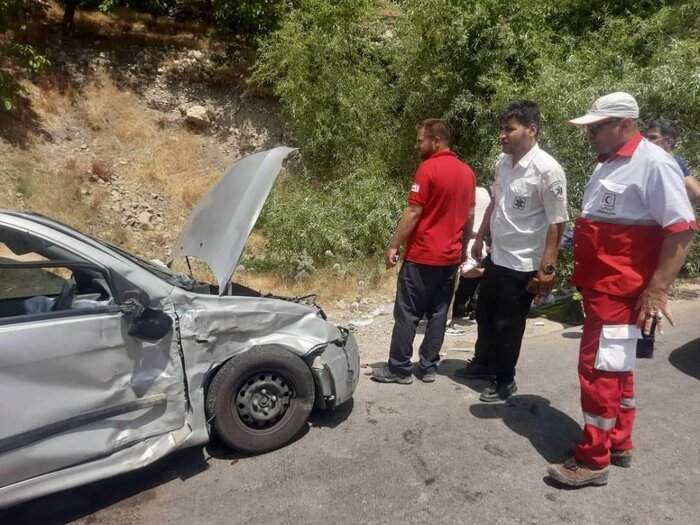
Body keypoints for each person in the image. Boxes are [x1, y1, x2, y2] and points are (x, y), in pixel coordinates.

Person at [548, 92, 697, 488]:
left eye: (597, 128)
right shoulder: (611, 163)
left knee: (599, 371)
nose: (589, 135)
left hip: (620, 291)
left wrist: (657, 291)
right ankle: (619, 441)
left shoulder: (653, 165)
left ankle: (593, 459)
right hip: (604, 289)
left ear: (625, 125)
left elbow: (681, 231)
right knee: (617, 367)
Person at [455, 100, 569, 402]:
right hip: (498, 255)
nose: (502, 135)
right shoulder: (502, 163)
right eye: (501, 129)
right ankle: (483, 363)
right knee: (484, 313)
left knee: (508, 324)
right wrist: (479, 238)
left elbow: (558, 221)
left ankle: (505, 379)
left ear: (531, 130)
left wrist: (547, 266)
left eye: (510, 129)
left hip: (524, 263)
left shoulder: (547, 170)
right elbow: (495, 203)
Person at [372, 119, 476, 384]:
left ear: (436, 141)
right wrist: (463, 249)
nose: (417, 146)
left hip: (422, 257)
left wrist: (394, 244)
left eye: (420, 141)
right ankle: (428, 367)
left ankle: (399, 369)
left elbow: (414, 211)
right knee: (439, 313)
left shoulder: (427, 169)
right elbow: (470, 215)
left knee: (407, 312)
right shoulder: (467, 172)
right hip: (450, 258)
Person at [645, 119, 700, 205]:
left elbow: (697, 194)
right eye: (646, 137)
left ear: (669, 142)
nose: (646, 141)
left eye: (652, 138)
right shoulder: (654, 161)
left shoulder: (673, 163)